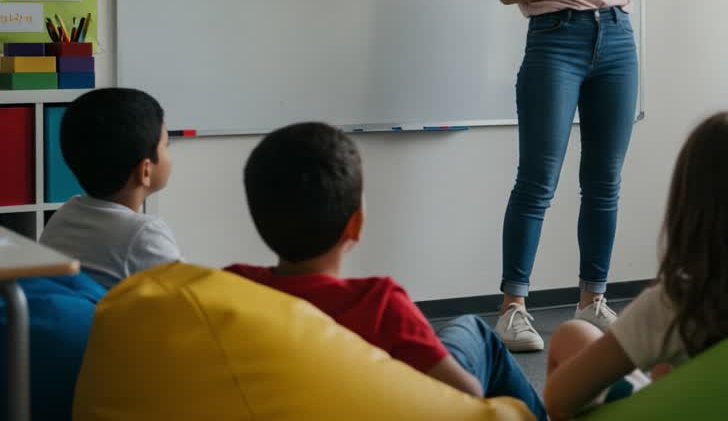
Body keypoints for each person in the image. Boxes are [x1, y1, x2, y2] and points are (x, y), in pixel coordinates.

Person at [226, 122, 546, 421]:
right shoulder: (379, 303)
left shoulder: (233, 288)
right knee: (476, 333)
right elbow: (466, 395)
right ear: (356, 224)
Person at [541, 112, 728, 420]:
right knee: (582, 336)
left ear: (690, 207)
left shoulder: (677, 304)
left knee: (572, 338)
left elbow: (558, 400)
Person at [491, 0, 638, 351]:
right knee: (538, 179)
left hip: (616, 36)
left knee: (604, 181)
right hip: (556, 41)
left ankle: (592, 299)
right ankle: (513, 307)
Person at [40, 87, 181, 289]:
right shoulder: (143, 234)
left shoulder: (64, 216)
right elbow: (189, 298)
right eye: (166, 145)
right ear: (146, 171)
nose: (169, 153)